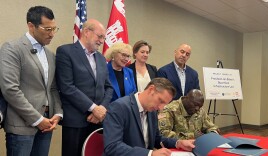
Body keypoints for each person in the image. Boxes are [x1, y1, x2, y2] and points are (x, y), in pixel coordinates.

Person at [0, 6, 63, 156]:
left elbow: (53, 88)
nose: (52, 34)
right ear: (31, 26)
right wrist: (37, 119)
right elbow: (10, 89)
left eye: (54, 29)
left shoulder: (50, 54)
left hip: (47, 125)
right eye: (47, 29)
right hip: (22, 126)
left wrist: (58, 113)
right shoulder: (12, 49)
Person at [56, 19, 113, 156]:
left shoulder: (100, 58)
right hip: (75, 120)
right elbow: (67, 87)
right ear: (86, 32)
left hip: (98, 120)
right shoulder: (66, 51)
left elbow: (108, 87)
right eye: (100, 36)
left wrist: (102, 109)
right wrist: (93, 108)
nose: (101, 41)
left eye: (104, 38)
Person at [103, 78, 195, 156]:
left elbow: (156, 139)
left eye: (165, 104)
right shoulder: (119, 107)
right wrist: (150, 154)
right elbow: (112, 147)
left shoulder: (152, 110)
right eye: (160, 101)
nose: (161, 108)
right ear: (151, 90)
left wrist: (178, 143)